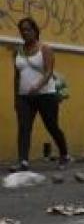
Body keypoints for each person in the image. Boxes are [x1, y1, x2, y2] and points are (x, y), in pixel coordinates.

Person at [11, 18, 71, 172]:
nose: (25, 33)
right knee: (24, 127)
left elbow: (49, 71)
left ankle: (64, 155)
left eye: (28, 29)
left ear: (35, 31)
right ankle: (23, 161)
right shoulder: (18, 51)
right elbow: (17, 76)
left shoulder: (45, 48)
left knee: (51, 126)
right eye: (22, 30)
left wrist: (37, 86)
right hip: (24, 96)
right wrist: (16, 97)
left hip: (46, 95)